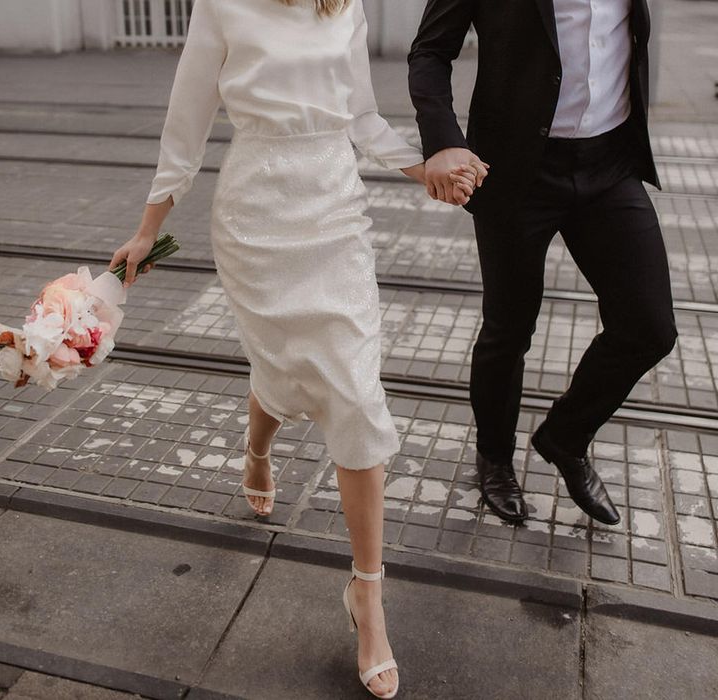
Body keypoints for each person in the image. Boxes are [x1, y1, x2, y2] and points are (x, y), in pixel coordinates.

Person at [108, 1, 465, 696]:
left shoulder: (344, 5)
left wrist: (419, 169)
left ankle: (368, 596)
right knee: (281, 368)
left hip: (334, 210)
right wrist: (149, 230)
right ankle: (259, 448)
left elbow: (360, 117)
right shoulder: (222, 6)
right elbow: (186, 127)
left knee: (355, 395)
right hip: (256, 215)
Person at [408, 0, 677, 526]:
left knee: (649, 327)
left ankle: (565, 436)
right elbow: (430, 51)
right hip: (514, 171)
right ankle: (494, 458)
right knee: (509, 329)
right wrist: (442, 141)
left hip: (610, 164)